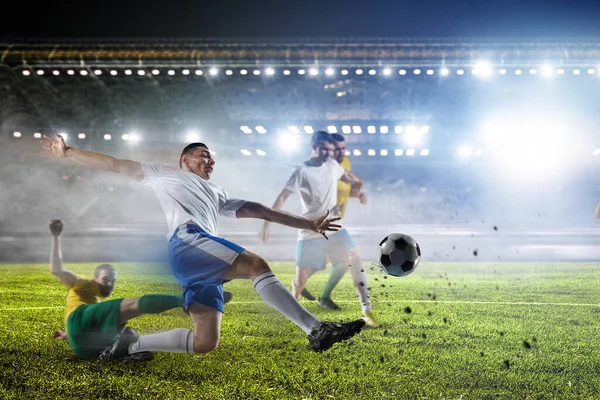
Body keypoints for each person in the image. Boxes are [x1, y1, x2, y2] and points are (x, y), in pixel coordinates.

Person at [41, 135, 364, 358]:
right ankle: (316, 329)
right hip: (189, 241)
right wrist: (68, 152)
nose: (210, 161)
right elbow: (113, 164)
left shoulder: (218, 193)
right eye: (204, 155)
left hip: (199, 256)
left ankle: (132, 344)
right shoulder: (162, 174)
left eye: (212, 158)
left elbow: (261, 210)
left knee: (205, 342)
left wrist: (308, 223)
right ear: (185, 159)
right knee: (255, 265)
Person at [259, 131, 379, 327]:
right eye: (325, 149)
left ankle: (367, 310)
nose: (328, 153)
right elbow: (282, 198)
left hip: (333, 226)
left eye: (331, 150)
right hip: (310, 230)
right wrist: (267, 222)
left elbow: (348, 179)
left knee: (355, 257)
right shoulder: (301, 172)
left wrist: (358, 187)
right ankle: (294, 310)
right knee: (299, 283)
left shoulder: (332, 165)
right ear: (314, 147)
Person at [48, 219, 185, 361]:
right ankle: (183, 300)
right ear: (95, 279)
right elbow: (57, 270)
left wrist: (66, 335)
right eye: (106, 279)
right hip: (78, 320)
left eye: (112, 281)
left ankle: (116, 353)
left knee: (126, 335)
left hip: (82, 349)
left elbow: (82, 329)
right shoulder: (85, 283)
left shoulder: (97, 301)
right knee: (133, 306)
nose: (109, 284)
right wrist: (56, 236)